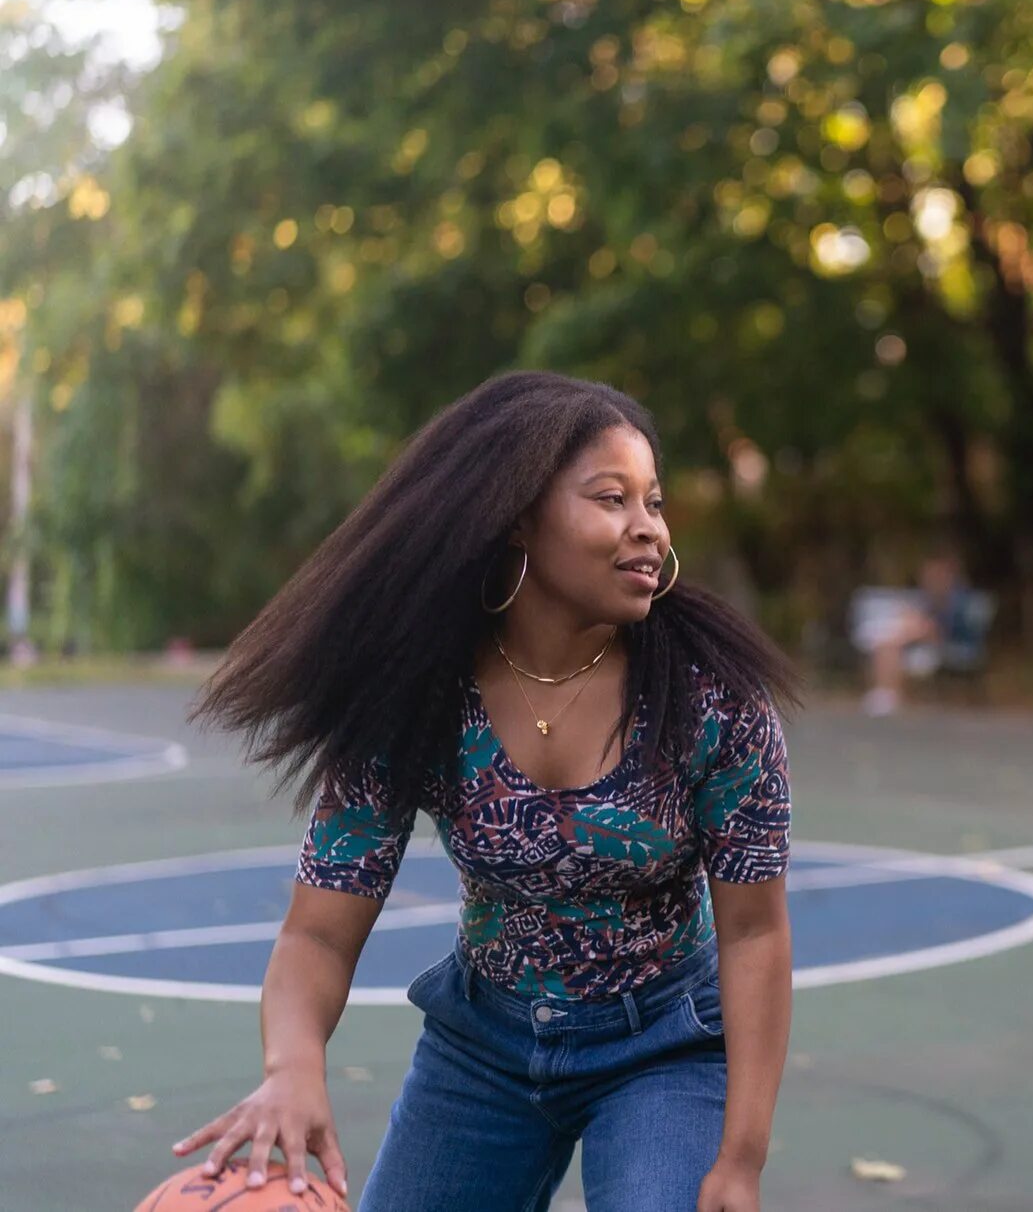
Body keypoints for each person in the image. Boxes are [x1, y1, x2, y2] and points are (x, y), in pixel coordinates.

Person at [175, 372, 799, 1212]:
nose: (648, 528)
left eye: (654, 502)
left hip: (663, 1044)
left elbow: (755, 934)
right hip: (484, 1044)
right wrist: (293, 1072)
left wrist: (741, 1158)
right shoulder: (421, 693)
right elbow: (317, 937)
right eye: (612, 499)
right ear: (517, 518)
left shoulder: (714, 698)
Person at [858, 552, 975, 716]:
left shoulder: (956, 598)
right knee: (890, 642)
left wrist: (916, 627)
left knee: (892, 641)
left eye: (933, 573)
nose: (928, 577)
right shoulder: (932, 597)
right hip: (923, 641)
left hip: (947, 643)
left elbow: (944, 630)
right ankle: (887, 692)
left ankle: (888, 693)